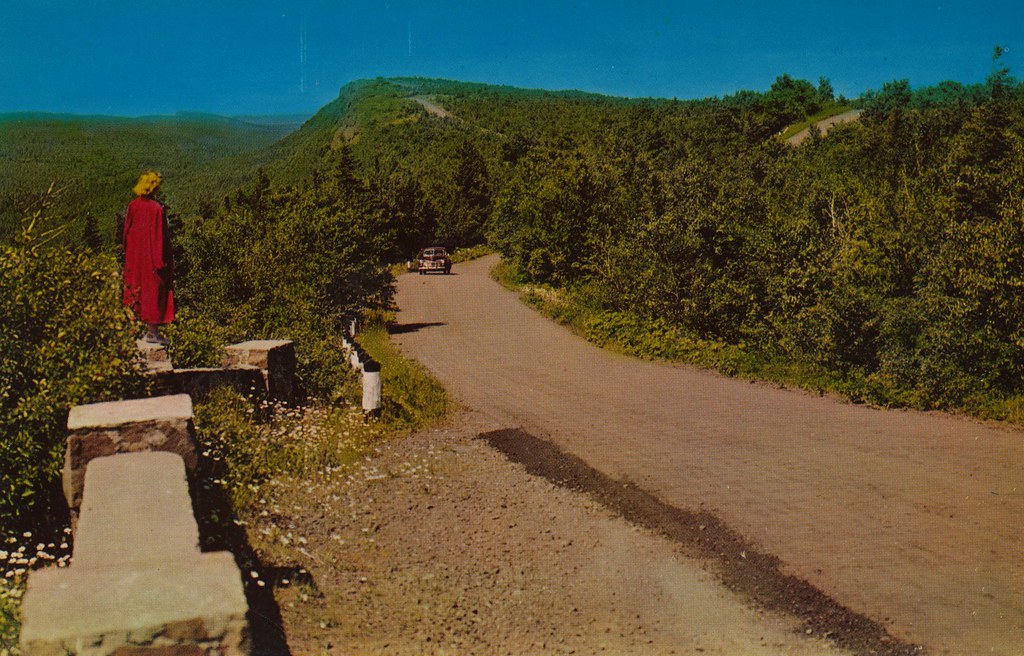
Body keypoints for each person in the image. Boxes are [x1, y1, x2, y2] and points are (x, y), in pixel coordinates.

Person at [122, 171, 174, 344]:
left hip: (135, 257)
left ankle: (135, 332)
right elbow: (160, 237)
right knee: (154, 292)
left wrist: (129, 254)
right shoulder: (157, 209)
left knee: (136, 290)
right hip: (152, 258)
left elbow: (126, 233)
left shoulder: (132, 206)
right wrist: (162, 262)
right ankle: (153, 332)